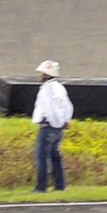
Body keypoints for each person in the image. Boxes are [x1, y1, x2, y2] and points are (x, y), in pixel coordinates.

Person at [32, 60, 74, 192]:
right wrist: (64, 121)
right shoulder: (59, 87)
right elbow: (68, 106)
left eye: (41, 73)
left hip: (48, 126)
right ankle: (60, 185)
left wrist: (51, 122)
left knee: (42, 157)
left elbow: (49, 108)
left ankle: (41, 187)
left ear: (46, 74)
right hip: (58, 128)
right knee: (55, 156)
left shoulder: (46, 89)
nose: (39, 75)